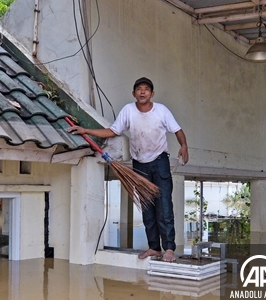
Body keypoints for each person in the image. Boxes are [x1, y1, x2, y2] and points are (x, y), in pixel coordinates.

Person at [69, 77, 188, 262]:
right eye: (139, 89)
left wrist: (184, 146)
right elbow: (113, 131)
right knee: (147, 207)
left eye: (146, 89)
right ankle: (154, 248)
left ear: (152, 94)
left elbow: (178, 130)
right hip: (139, 164)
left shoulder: (162, 110)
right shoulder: (128, 110)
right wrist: (87, 131)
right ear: (134, 93)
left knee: (164, 205)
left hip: (159, 161)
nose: (142, 92)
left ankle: (169, 248)